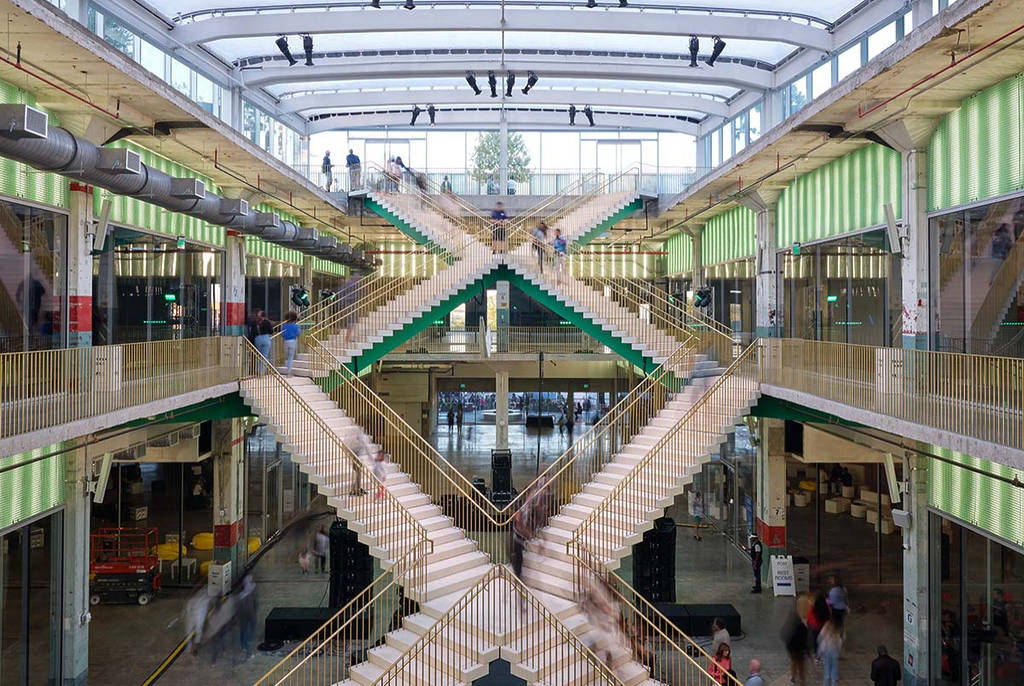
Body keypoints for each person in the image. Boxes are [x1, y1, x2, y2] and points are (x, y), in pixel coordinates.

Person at [184, 584, 210, 655]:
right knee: (197, 631)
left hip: (193, 617)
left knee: (191, 632)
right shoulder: (204, 598)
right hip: (196, 618)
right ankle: (193, 647)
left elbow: (188, 609)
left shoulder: (194, 599)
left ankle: (190, 648)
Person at [237, 573, 257, 661]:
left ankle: (243, 647)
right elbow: (255, 603)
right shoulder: (251, 591)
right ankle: (248, 652)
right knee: (248, 633)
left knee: (244, 631)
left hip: (244, 616)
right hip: (250, 615)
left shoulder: (240, 595)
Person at [817, 619, 843, 686]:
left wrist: (819, 651)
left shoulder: (825, 629)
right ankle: (834, 682)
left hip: (826, 651)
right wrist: (839, 650)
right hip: (834, 651)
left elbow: (820, 638)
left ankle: (827, 680)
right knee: (834, 667)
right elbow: (839, 642)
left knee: (827, 667)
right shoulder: (836, 632)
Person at [281, 311, 300, 375]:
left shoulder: (284, 326)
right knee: (290, 357)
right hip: (293, 341)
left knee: (286, 357)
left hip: (286, 341)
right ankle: (289, 372)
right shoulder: (295, 326)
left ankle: (287, 369)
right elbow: (298, 333)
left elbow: (282, 334)